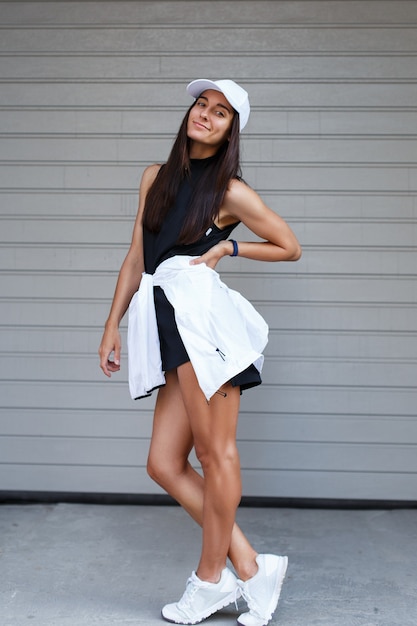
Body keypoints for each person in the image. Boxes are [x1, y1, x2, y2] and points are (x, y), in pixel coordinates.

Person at [98, 78, 302, 626]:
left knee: (217, 456)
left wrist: (227, 247)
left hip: (206, 328)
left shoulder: (230, 192)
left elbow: (289, 246)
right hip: (167, 323)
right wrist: (111, 325)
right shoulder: (154, 179)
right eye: (202, 105)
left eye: (221, 113)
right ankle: (253, 566)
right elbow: (136, 258)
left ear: (231, 130)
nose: (206, 116)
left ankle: (211, 580)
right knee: (164, 463)